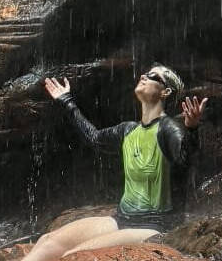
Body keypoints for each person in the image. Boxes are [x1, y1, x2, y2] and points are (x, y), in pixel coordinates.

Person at [23, 65, 208, 261]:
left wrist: (192, 130)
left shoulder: (169, 129)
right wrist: (66, 101)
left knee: (73, 256)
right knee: (47, 241)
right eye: (144, 73)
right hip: (122, 219)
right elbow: (94, 137)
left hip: (156, 225)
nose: (144, 76)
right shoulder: (128, 130)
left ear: (166, 91)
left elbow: (185, 159)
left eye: (153, 76)